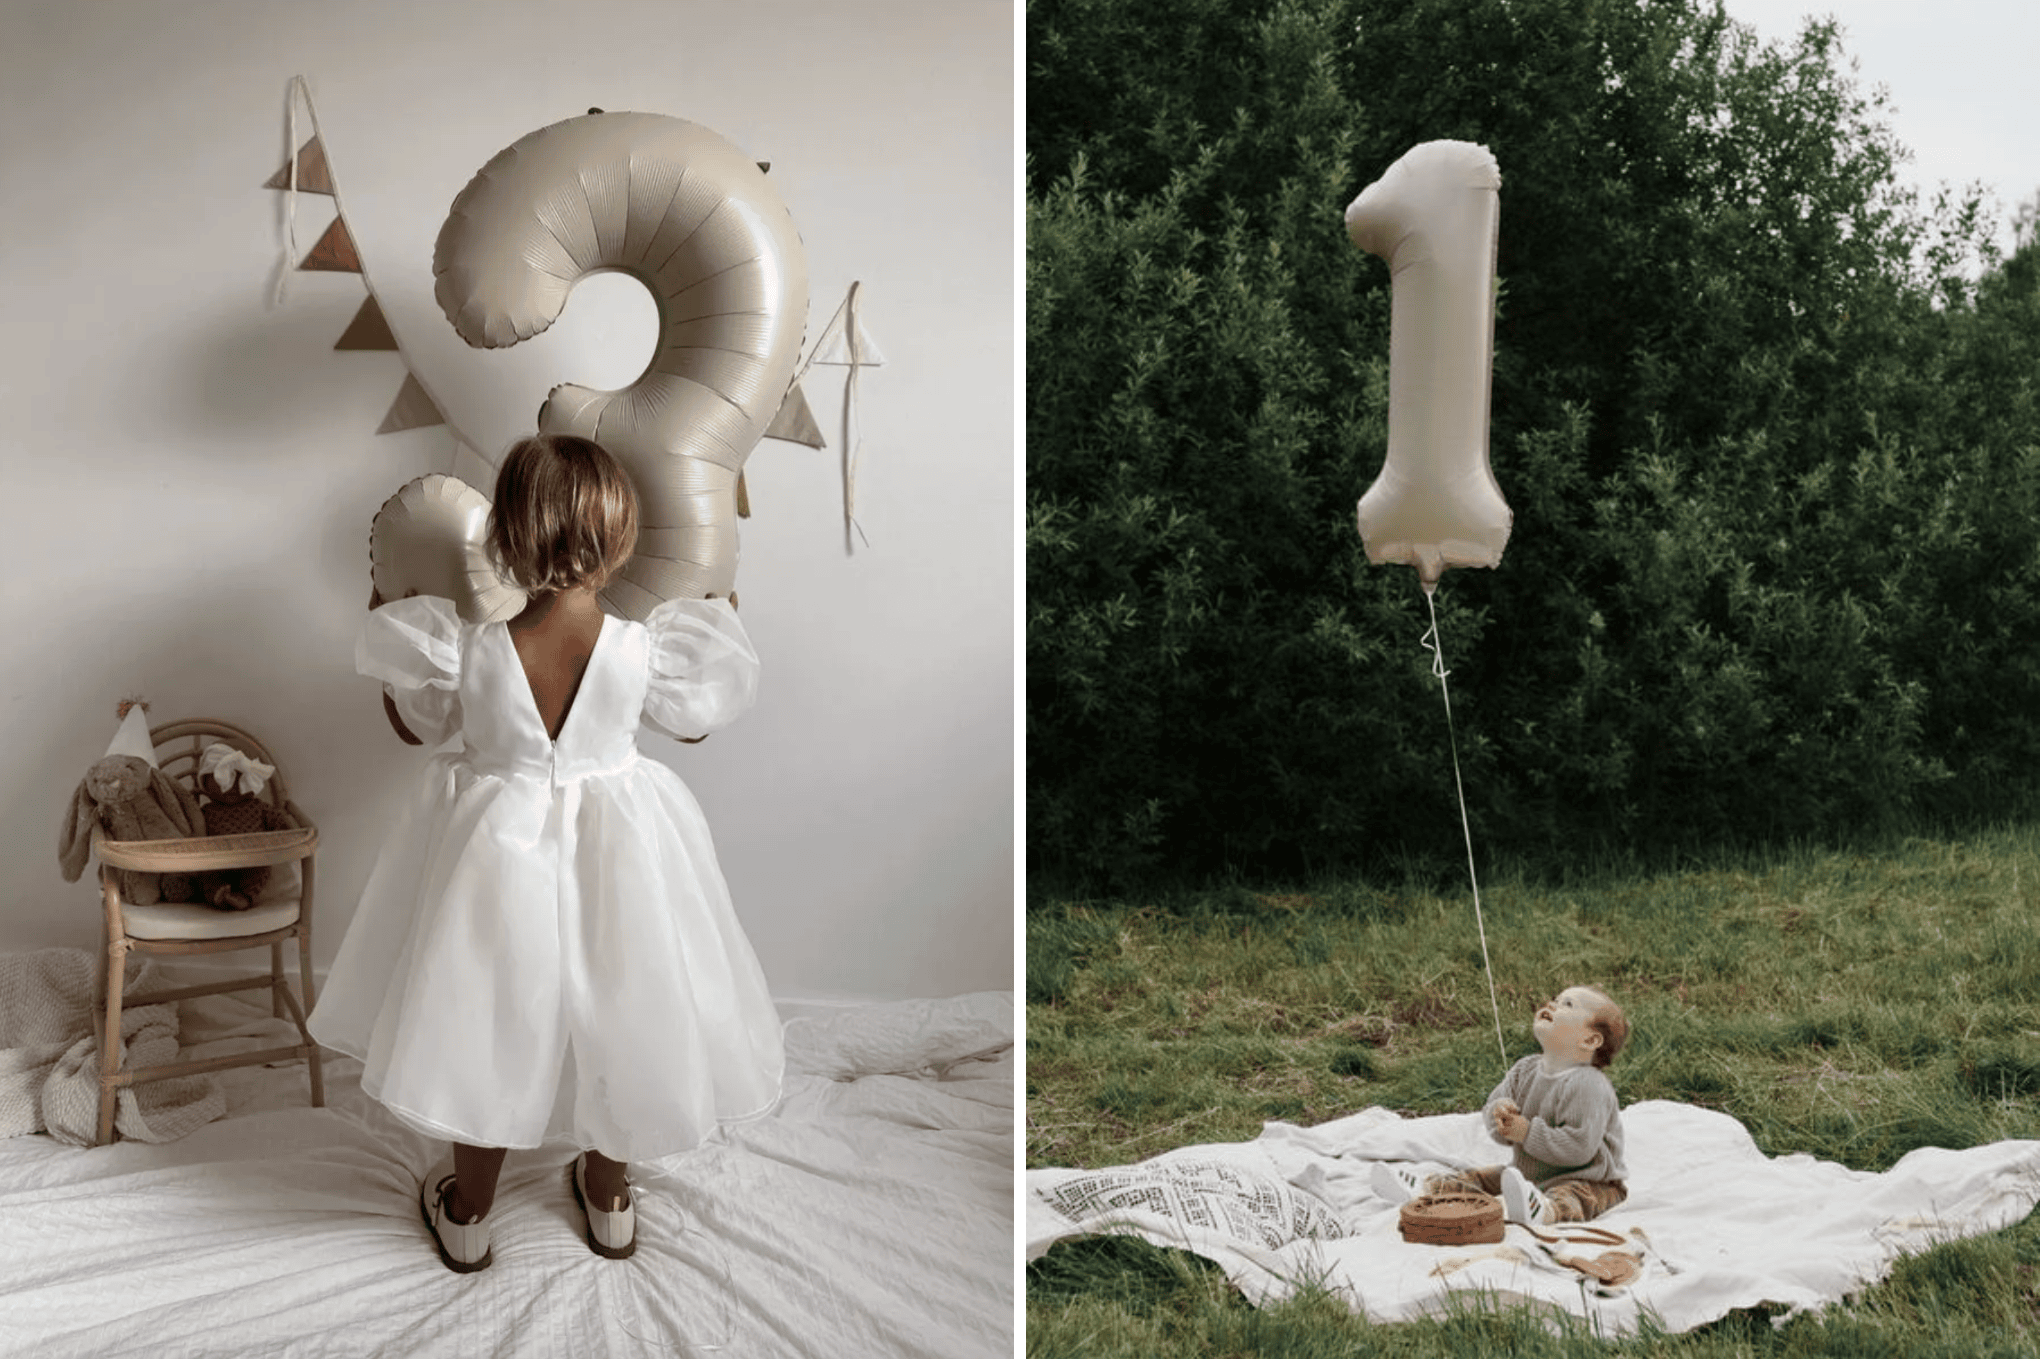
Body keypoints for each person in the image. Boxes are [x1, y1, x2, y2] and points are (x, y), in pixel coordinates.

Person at [306, 433, 785, 1273]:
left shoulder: (465, 646)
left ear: (506, 541)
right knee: (627, 1006)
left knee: (486, 1017)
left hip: (496, 859)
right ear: (622, 539)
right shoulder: (647, 648)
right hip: (622, 857)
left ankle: (469, 1210)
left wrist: (385, 606)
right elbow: (697, 720)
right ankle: (607, 1197)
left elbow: (411, 725)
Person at [1373, 986, 1629, 1226]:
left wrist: (1527, 1133)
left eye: (1568, 1004)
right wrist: (1500, 1114)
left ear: (1590, 1040)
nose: (1552, 1004)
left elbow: (1579, 1148)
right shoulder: (1525, 1069)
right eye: (1556, 999)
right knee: (1485, 1177)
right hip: (1532, 1174)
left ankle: (1545, 1211)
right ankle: (1428, 1189)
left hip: (1591, 1181)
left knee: (1573, 1197)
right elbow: (1495, 1110)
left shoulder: (1588, 1085)